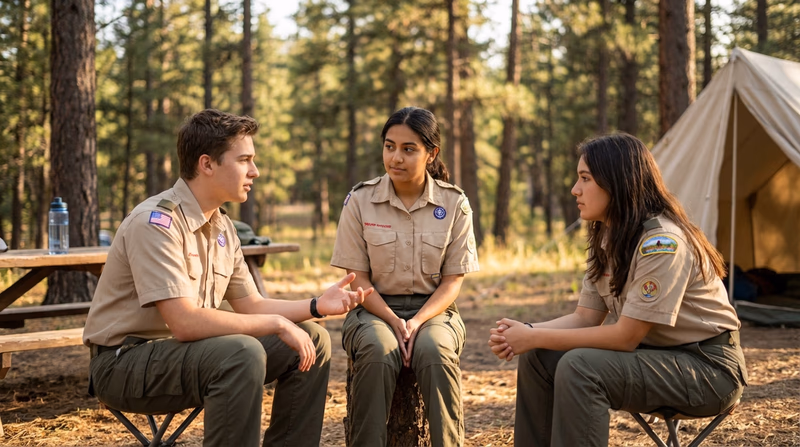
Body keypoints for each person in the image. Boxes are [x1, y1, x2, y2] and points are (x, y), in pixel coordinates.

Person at [83, 109, 373, 447]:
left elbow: (251, 304)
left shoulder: (222, 226)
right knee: (242, 352)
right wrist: (278, 324)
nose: (255, 171)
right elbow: (184, 323)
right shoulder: (156, 223)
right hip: (124, 364)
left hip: (187, 354)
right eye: (244, 160)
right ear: (207, 164)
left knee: (314, 339)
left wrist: (316, 306)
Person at [488, 133, 748, 447]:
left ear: (617, 182)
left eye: (585, 178)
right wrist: (526, 333)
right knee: (539, 357)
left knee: (579, 367)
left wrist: (533, 335)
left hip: (708, 369)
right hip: (657, 357)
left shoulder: (661, 244)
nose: (575, 189)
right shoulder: (608, 238)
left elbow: (626, 337)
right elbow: (585, 318)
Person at [331, 106, 480, 446]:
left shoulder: (454, 204)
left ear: (431, 154)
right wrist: (395, 321)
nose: (396, 157)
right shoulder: (361, 201)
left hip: (435, 311)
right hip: (372, 309)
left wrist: (416, 322)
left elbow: (452, 282)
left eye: (409, 149)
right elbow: (358, 278)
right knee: (377, 349)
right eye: (389, 146)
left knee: (436, 351)